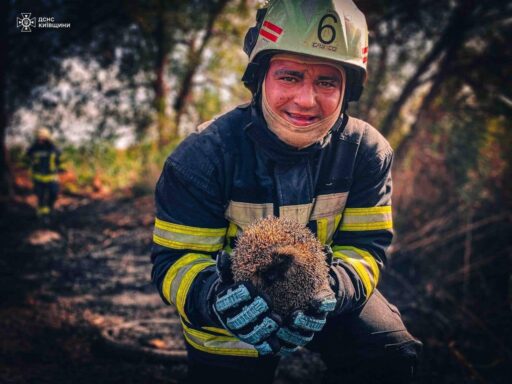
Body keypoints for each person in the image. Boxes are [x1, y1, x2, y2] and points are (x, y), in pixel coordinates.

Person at [151, 1, 422, 383]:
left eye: (327, 81)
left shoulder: (366, 152)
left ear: (348, 89)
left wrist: (331, 290)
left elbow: (366, 248)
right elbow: (173, 261)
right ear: (260, 76)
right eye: (290, 76)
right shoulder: (202, 156)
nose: (306, 100)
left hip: (325, 298)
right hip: (227, 321)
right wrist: (215, 300)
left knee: (389, 357)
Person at [25, 127, 63, 220]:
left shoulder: (53, 148)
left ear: (47, 137)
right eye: (39, 137)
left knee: (53, 195)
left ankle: (50, 210)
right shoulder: (34, 149)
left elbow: (59, 160)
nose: (41, 139)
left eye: (43, 137)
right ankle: (41, 214)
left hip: (52, 178)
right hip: (38, 178)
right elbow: (28, 157)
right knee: (40, 197)